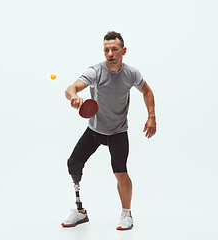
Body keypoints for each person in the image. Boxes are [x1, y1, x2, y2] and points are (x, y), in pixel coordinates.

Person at [61, 31, 156, 230]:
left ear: (123, 51)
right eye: (106, 50)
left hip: (118, 132)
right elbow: (71, 88)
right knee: (73, 163)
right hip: (95, 130)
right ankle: (80, 212)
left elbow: (147, 91)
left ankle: (126, 214)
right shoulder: (96, 71)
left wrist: (151, 117)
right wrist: (74, 97)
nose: (110, 53)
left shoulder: (131, 74)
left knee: (121, 173)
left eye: (114, 49)